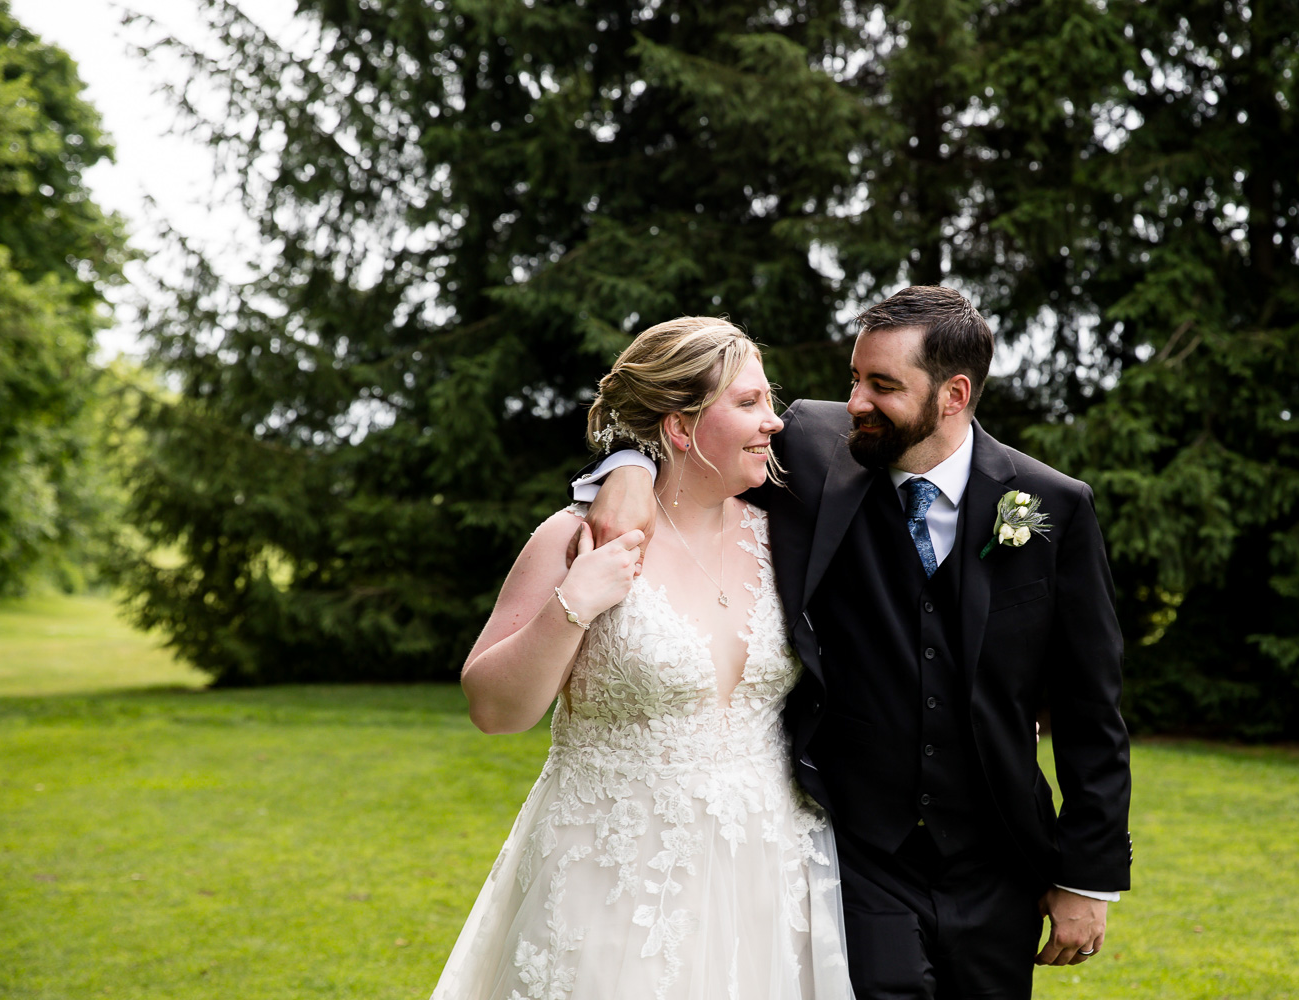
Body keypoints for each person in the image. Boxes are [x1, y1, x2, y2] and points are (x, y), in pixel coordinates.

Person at [578, 286, 1132, 999]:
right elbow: (679, 427)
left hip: (998, 857)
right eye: (854, 377)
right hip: (860, 849)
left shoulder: (1052, 504)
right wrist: (628, 467)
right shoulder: (809, 445)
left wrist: (1085, 878)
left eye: (883, 385)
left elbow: (1093, 710)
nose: (857, 401)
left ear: (954, 393)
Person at [430, 317, 855, 1000]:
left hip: (769, 871)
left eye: (768, 399)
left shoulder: (788, 536)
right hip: (609, 873)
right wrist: (573, 602)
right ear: (681, 428)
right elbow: (494, 709)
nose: (775, 422)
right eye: (748, 403)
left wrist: (623, 458)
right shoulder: (576, 537)